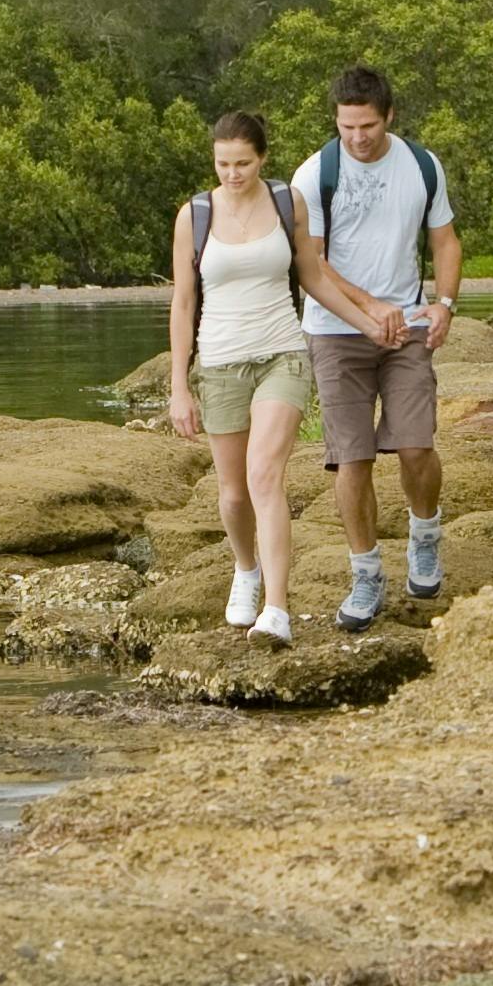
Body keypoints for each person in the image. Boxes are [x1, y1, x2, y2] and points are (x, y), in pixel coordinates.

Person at [163, 110, 395, 646]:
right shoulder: (193, 215)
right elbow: (182, 303)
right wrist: (180, 387)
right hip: (219, 363)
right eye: (222, 164)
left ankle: (277, 609)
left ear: (261, 158)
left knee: (265, 476)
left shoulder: (286, 201)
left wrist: (367, 324)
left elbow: (312, 276)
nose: (232, 174)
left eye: (242, 162)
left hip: (281, 356)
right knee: (233, 491)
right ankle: (246, 569)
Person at [293, 64, 462, 631]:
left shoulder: (421, 165)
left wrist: (444, 304)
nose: (358, 138)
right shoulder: (315, 174)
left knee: (416, 446)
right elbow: (311, 264)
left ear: (388, 116)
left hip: (407, 328)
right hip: (336, 331)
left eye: (367, 125)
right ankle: (365, 574)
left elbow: (445, 239)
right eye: (347, 127)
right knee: (352, 457)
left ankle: (425, 535)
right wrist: (368, 308)